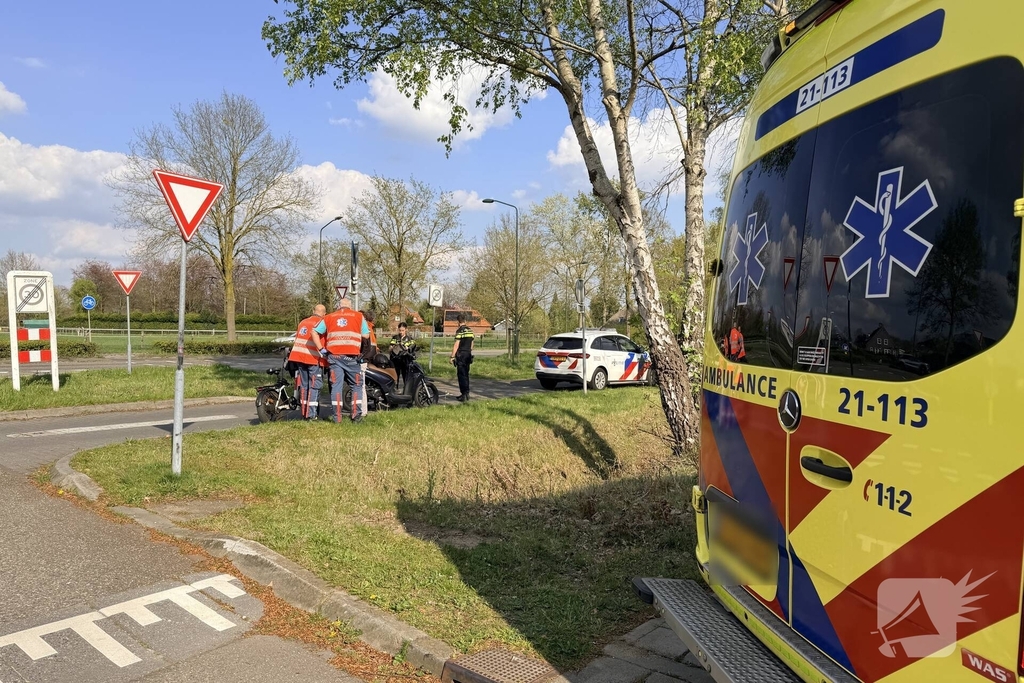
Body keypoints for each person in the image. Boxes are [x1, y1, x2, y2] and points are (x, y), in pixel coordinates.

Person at [313, 297, 370, 423]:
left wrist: (322, 349)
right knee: (356, 385)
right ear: (350, 306)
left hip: (334, 357)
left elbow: (315, 331)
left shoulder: (329, 317)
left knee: (336, 387)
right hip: (352, 358)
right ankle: (356, 416)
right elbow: (366, 335)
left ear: (339, 306)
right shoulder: (358, 316)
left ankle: (336, 418)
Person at [288, 304, 327, 420]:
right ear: (324, 313)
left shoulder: (303, 322)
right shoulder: (321, 323)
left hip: (299, 358)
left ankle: (304, 413)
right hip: (313, 359)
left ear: (313, 311)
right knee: (314, 386)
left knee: (304, 386)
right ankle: (311, 415)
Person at [358, 309, 379, 418]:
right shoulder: (369, 326)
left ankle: (362, 410)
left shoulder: (364, 326)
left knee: (360, 384)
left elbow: (366, 344)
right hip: (370, 356)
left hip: (364, 358)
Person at [449, 313, 474, 402]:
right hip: (468, 354)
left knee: (461, 375)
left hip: (461, 355)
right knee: (466, 374)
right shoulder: (470, 330)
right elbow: (472, 344)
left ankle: (463, 394)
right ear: (465, 321)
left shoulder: (459, 331)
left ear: (458, 322)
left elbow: (456, 345)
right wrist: (469, 352)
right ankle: (467, 393)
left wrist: (452, 356)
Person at [390, 322, 416, 389]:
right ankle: (395, 388)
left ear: (406, 330)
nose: (401, 332)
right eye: (400, 330)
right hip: (396, 359)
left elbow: (413, 347)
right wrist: (392, 348)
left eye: (402, 330)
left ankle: (406, 389)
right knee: (396, 375)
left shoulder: (410, 338)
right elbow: (390, 347)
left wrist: (408, 348)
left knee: (405, 375)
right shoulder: (395, 337)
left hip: (405, 359)